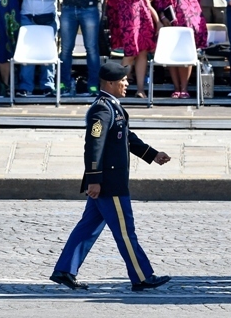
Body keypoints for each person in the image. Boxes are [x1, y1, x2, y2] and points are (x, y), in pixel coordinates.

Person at [49, 62, 172, 292]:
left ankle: (65, 270)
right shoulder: (102, 110)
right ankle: (142, 277)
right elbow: (93, 145)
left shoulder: (112, 107)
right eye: (123, 80)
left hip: (108, 182)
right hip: (109, 184)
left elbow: (126, 137)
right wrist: (94, 179)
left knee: (87, 228)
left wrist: (152, 154)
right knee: (125, 232)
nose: (126, 84)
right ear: (110, 83)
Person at [152, 0, 206, 100]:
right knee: (172, 52)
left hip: (191, 20)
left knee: (186, 53)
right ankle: (176, 87)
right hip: (170, 19)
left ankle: (184, 88)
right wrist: (162, 16)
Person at [107, 0, 157, 99]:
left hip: (139, 12)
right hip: (128, 16)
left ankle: (140, 89)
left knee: (142, 51)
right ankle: (115, 88)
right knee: (130, 52)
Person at [15, 0, 60, 97]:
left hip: (47, 16)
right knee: (27, 51)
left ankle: (48, 85)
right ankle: (25, 86)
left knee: (48, 52)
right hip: (28, 15)